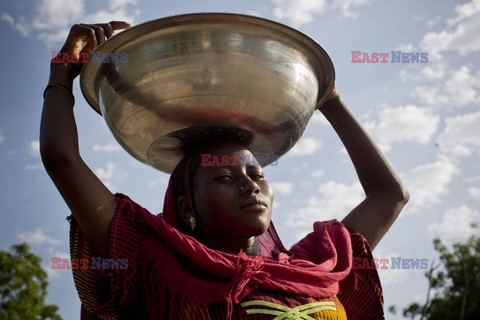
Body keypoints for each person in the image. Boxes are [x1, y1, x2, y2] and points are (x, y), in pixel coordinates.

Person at [40, 21, 409, 320]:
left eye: (257, 175)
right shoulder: (155, 264)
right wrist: (62, 74)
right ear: (187, 207)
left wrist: (329, 99)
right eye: (225, 178)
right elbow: (62, 159)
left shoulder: (317, 264)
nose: (250, 186)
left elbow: (389, 195)